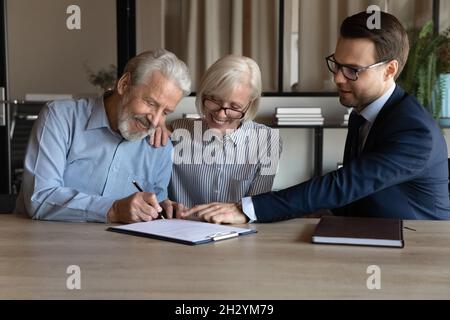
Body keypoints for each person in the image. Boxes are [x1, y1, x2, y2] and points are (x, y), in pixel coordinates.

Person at [183, 11, 450, 223]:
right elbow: (360, 190)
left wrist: (247, 209)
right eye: (337, 64)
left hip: (418, 248)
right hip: (373, 234)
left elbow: (345, 183)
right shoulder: (363, 113)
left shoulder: (415, 132)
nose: (337, 78)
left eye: (352, 70)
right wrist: (334, 212)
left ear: (389, 70)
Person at [15, 49, 191, 223]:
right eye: (151, 103)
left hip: (122, 250)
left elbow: (155, 209)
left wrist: (163, 209)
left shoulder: (159, 146)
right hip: (49, 245)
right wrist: (113, 209)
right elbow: (39, 198)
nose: (155, 121)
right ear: (123, 84)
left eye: (165, 112)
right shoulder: (60, 118)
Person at [159, 55, 282, 220]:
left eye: (234, 107)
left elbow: (255, 209)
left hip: (237, 237)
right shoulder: (175, 131)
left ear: (250, 103)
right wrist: (157, 121)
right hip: (178, 234)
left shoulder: (267, 142)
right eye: (214, 100)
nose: (220, 114)